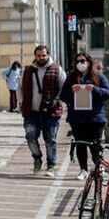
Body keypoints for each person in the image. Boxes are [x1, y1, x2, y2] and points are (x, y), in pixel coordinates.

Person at [58, 53, 109, 180]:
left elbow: (108, 93)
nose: (80, 64)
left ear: (88, 61)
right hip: (77, 118)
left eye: (82, 61)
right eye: (77, 61)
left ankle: (98, 167)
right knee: (80, 144)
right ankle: (83, 170)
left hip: (95, 118)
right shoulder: (71, 77)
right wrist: (72, 90)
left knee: (95, 145)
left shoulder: (98, 76)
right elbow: (62, 96)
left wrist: (94, 89)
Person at [17, 44, 66, 176]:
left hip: (51, 113)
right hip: (31, 113)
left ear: (48, 55)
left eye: (43, 55)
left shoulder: (57, 69)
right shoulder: (27, 70)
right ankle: (37, 158)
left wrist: (57, 100)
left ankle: (51, 165)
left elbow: (63, 87)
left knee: (50, 140)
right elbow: (19, 88)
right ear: (35, 56)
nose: (41, 58)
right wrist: (21, 102)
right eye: (38, 56)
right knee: (30, 138)